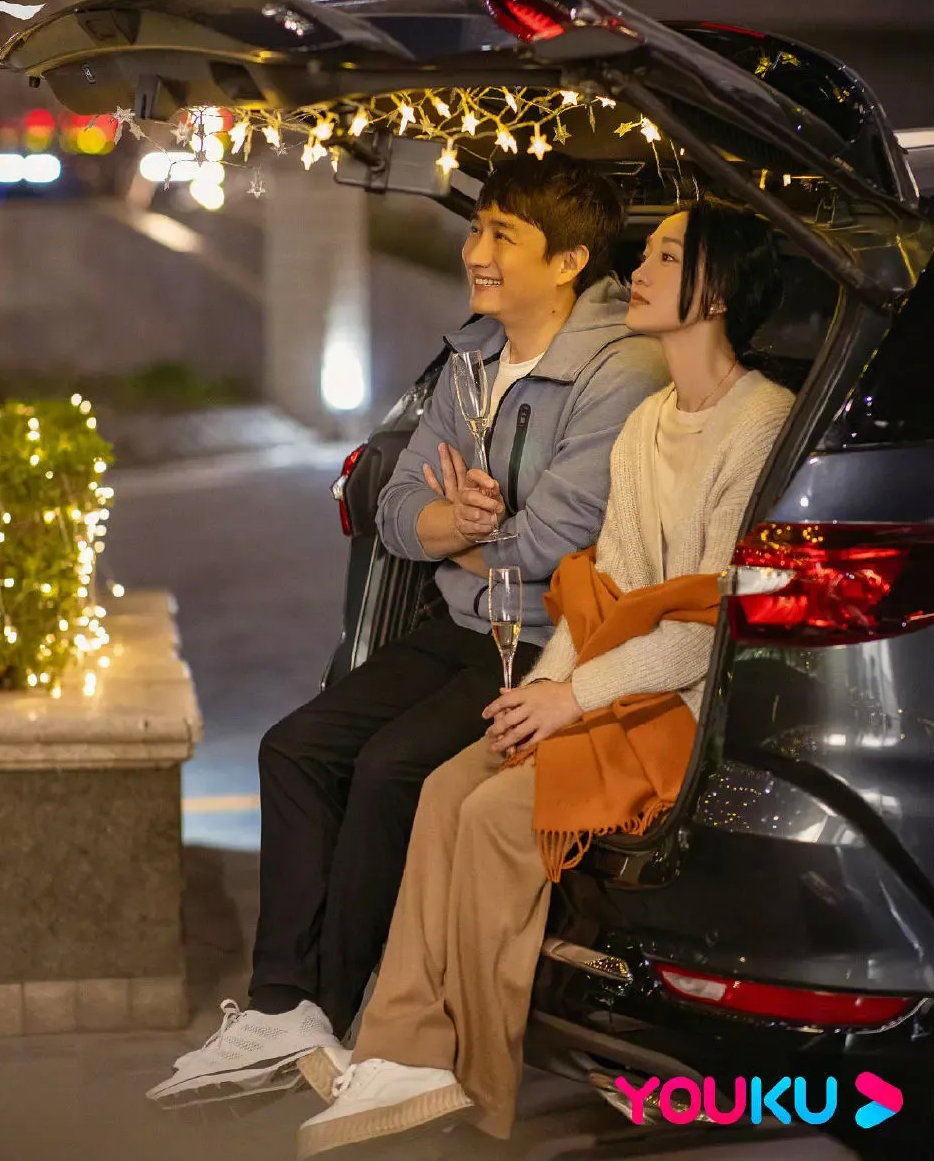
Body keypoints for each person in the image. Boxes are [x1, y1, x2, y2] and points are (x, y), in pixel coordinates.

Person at [147, 153, 668, 1107]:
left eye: (502, 235)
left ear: (567, 262)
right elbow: (394, 510)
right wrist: (460, 527)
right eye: (477, 229)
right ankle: (281, 1005)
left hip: (547, 641)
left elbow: (559, 539)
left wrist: (460, 534)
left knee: (392, 766)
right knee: (295, 746)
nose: (475, 251)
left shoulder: (619, 369)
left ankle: (341, 1010)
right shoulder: (473, 356)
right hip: (465, 620)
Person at [294, 195, 795, 1157]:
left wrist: (570, 697)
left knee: (491, 813)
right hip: (612, 677)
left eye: (664, 256)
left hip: (681, 705)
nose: (637, 269)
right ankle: (397, 1052)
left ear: (717, 292)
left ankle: (476, 1091)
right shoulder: (650, 421)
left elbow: (706, 632)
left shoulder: (759, 422)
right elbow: (604, 592)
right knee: (446, 787)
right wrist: (541, 691)